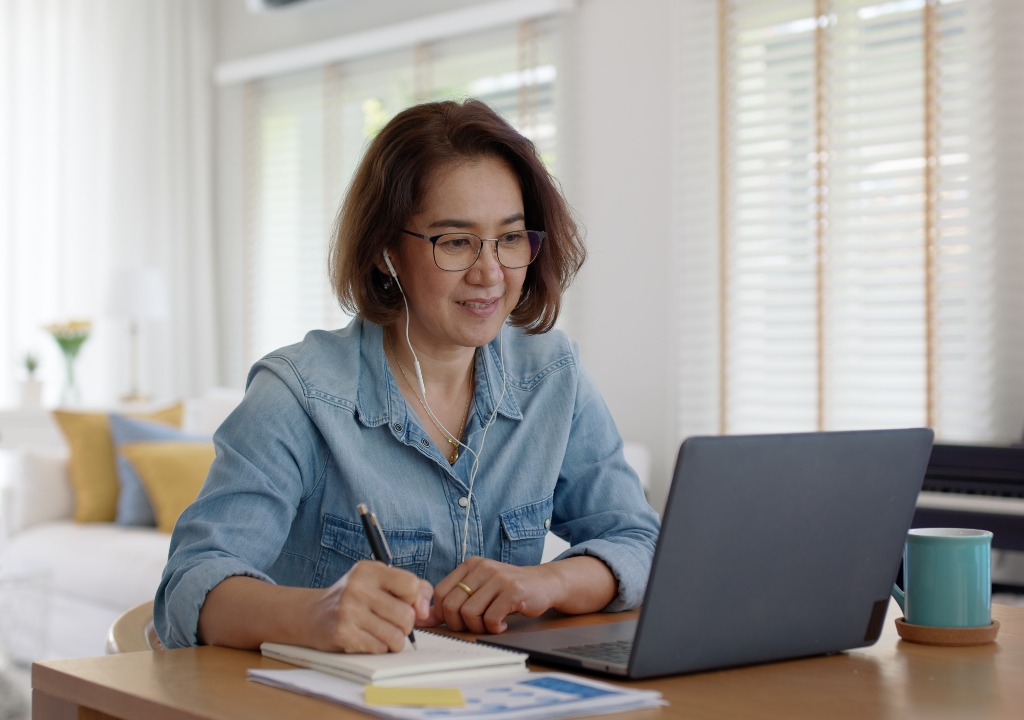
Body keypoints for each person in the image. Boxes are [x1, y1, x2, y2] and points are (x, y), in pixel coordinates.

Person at [155, 99, 660, 653]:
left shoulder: (552, 375)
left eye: (510, 238)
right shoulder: (298, 395)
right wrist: (316, 614)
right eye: (456, 241)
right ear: (384, 251)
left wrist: (549, 580)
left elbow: (638, 539)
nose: (490, 273)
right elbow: (190, 584)